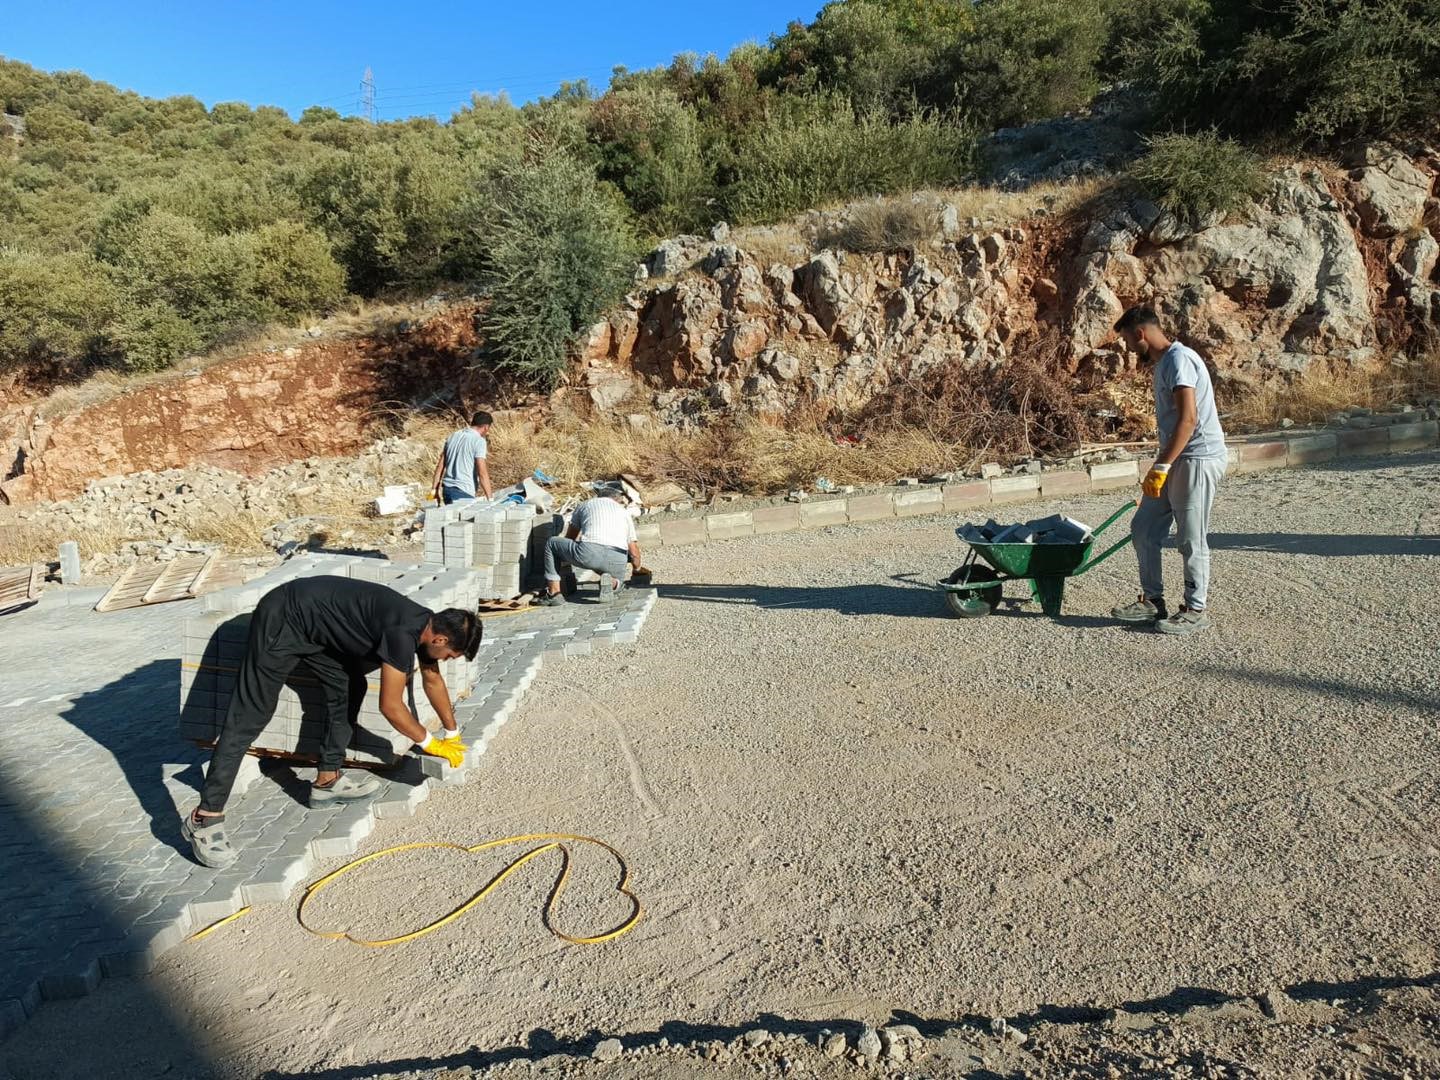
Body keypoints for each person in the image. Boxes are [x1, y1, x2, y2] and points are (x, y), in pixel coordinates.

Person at [182, 576, 480, 868]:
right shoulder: (403, 633)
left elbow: (432, 679)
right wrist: (430, 743)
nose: (447, 660)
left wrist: (452, 734)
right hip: (283, 617)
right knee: (250, 715)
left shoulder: (426, 626)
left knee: (350, 685)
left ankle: (327, 780)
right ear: (439, 639)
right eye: (450, 655)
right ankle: (205, 817)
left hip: (313, 627)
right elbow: (391, 705)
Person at [1110, 306, 1227, 635]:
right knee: (1144, 528)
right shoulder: (1164, 364)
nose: (1131, 350)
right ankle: (1152, 600)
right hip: (1176, 458)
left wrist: (1161, 466)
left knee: (1190, 537)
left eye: (1130, 343)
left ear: (1140, 334)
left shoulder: (1179, 360)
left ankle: (1195, 609)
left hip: (1197, 458)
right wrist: (1163, 463)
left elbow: (1188, 419)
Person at [537, 493, 642, 606]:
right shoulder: (624, 512)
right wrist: (637, 571)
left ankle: (554, 593)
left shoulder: (585, 505)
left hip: (590, 552)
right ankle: (613, 583)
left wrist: (562, 565)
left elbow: (571, 538)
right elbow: (634, 552)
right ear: (616, 500)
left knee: (552, 543)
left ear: (597, 497)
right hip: (618, 558)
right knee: (617, 580)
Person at [432, 411, 494, 505]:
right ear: (486, 427)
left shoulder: (453, 436)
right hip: (463, 491)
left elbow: (440, 466)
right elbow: (482, 473)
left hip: (447, 490)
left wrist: (434, 491)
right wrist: (490, 499)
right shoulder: (479, 441)